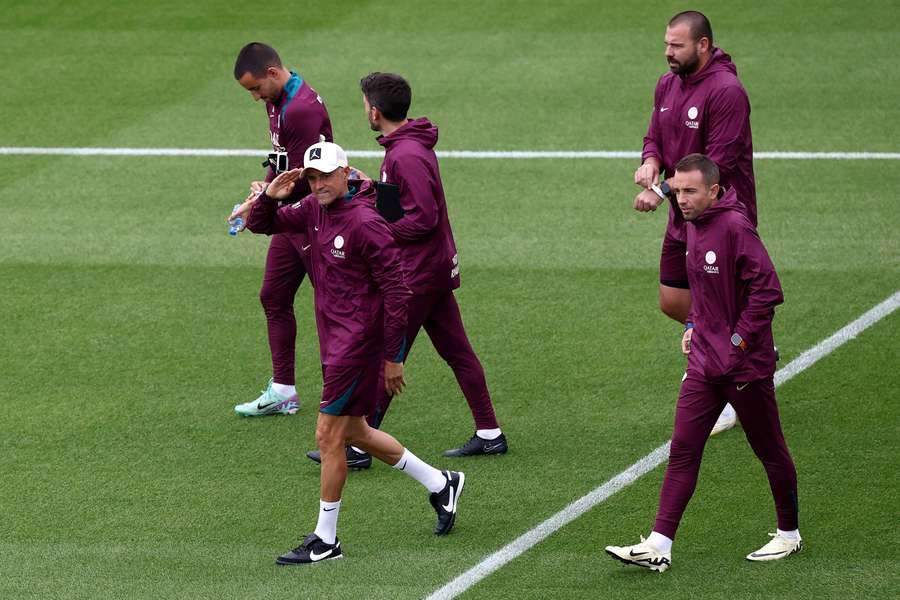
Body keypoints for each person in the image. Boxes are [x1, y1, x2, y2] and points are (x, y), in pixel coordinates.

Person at [243, 141, 465, 565]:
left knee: (328, 436)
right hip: (334, 341)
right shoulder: (312, 211)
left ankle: (326, 539)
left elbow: (399, 290)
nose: (319, 183)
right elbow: (263, 226)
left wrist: (393, 357)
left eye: (326, 175)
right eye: (312, 177)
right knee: (357, 432)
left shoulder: (366, 223)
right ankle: (441, 483)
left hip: (359, 346)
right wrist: (269, 196)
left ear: (346, 173)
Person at [606, 154, 801, 572]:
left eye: (690, 191)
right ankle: (659, 544)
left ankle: (789, 535)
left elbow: (768, 290)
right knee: (683, 450)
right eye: (676, 191)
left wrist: (736, 340)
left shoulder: (734, 227)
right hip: (704, 364)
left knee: (769, 451)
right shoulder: (691, 226)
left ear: (714, 190)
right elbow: (704, 288)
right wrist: (695, 322)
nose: (681, 200)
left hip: (743, 366)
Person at [306, 72, 507, 466]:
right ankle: (490, 432)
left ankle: (360, 444)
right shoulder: (404, 148)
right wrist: (367, 189)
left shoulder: (406, 155)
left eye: (365, 104)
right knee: (456, 350)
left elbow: (422, 219)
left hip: (417, 272)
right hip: (429, 269)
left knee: (387, 351)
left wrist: (378, 227)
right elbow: (403, 204)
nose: (364, 110)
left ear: (375, 111)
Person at [634, 11, 758, 435]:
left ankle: (719, 390)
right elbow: (655, 135)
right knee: (673, 301)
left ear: (703, 45)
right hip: (682, 213)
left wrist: (663, 191)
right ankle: (746, 336)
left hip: (720, 218)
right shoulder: (667, 84)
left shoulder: (727, 92)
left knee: (712, 304)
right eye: (667, 44)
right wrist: (650, 160)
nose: (668, 52)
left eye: (678, 45)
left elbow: (716, 165)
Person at [230, 42, 332, 417]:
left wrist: (264, 203)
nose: (255, 97)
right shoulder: (279, 100)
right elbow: (282, 161)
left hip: (311, 217)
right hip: (289, 216)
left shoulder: (300, 109)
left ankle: (340, 399)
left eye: (256, 88)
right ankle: (284, 390)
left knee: (330, 307)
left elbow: (309, 178)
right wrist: (260, 191)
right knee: (273, 296)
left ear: (273, 73)